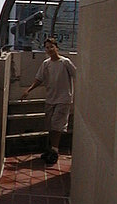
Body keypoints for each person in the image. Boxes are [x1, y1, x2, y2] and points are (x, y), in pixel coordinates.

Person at [21, 37, 76, 165]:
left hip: (63, 99)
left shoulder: (65, 62)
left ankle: (54, 151)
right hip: (51, 98)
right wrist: (29, 90)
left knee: (57, 125)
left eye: (51, 47)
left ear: (57, 47)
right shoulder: (46, 64)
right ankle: (51, 149)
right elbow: (39, 78)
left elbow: (76, 74)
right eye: (47, 47)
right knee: (50, 125)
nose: (49, 49)